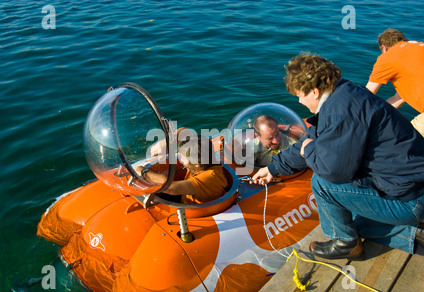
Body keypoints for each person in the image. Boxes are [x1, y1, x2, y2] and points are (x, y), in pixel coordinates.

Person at [252, 53, 424, 260]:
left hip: (411, 199)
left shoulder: (339, 113)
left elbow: (333, 172)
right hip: (409, 187)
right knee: (352, 218)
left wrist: (309, 149)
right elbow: (310, 139)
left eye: (300, 95)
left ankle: (345, 242)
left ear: (314, 91)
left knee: (322, 184)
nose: (299, 100)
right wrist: (272, 169)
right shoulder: (346, 94)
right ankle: (412, 235)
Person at [137, 133, 229, 205]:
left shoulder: (209, 178)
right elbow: (182, 131)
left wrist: (143, 172)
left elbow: (171, 188)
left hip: (197, 210)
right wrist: (165, 142)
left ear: (196, 163)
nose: (180, 160)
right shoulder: (205, 162)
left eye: (183, 158)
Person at [366, 28, 424, 136]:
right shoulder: (418, 48)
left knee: (409, 141)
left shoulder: (388, 57)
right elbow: (399, 99)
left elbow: (367, 94)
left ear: (384, 48)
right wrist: (377, 116)